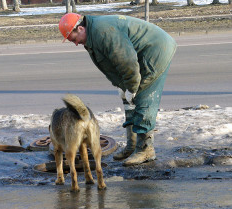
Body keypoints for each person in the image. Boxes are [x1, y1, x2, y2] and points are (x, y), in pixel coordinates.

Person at [58, 13, 177, 166]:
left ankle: (145, 149)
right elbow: (114, 63)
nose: (75, 44)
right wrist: (123, 87)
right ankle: (132, 145)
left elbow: (126, 62)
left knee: (143, 96)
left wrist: (132, 88)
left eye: (74, 39)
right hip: (140, 54)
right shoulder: (93, 35)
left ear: (80, 28)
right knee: (128, 99)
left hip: (155, 51)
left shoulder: (103, 32)